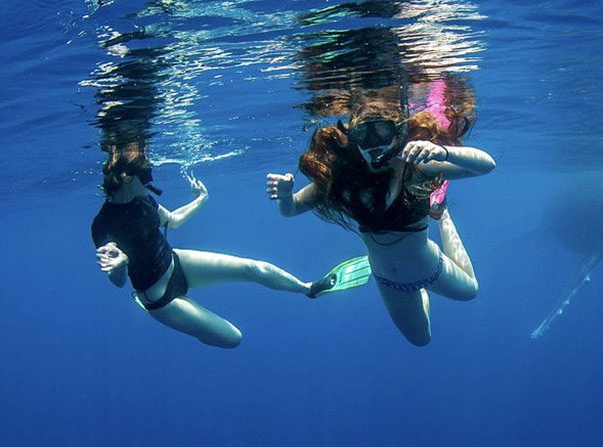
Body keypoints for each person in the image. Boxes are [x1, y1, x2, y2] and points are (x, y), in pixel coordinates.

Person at [266, 88, 495, 346]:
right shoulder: (344, 177)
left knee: (471, 291)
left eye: (382, 132)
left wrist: (443, 152)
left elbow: (486, 165)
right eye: (364, 135)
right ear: (352, 138)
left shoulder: (416, 168)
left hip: (430, 268)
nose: (374, 143)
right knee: (421, 339)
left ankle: (441, 215)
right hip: (389, 281)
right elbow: (292, 210)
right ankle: (421, 273)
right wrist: (285, 196)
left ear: (397, 133)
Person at [93, 141, 369, 348]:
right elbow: (116, 280)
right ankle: (158, 311)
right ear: (128, 178)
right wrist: (119, 267)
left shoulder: (144, 200)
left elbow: (173, 221)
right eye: (147, 173)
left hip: (176, 261)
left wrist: (201, 199)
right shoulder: (104, 224)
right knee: (232, 338)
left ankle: (308, 288)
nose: (152, 179)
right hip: (158, 296)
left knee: (253, 269)